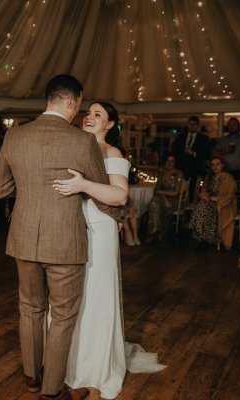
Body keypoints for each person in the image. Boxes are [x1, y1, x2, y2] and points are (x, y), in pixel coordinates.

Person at [0, 75, 127, 400]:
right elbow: (97, 190)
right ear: (71, 101)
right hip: (66, 241)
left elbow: (0, 190)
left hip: (23, 238)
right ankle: (53, 392)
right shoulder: (81, 142)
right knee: (64, 316)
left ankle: (31, 378)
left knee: (30, 309)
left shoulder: (14, 134)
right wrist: (118, 219)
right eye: (81, 106)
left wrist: (30, 191)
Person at [53, 101, 166, 399]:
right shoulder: (71, 146)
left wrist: (83, 184)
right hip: (68, 228)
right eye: (88, 112)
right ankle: (61, 363)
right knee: (68, 298)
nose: (89, 117)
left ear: (110, 125)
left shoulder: (112, 154)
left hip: (98, 230)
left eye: (98, 114)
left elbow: (118, 196)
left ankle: (93, 369)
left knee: (95, 296)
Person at [188, 155, 237, 251]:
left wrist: (214, 198)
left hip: (225, 204)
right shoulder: (210, 177)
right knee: (203, 205)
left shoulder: (227, 178)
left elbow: (230, 195)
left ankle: (204, 239)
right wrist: (204, 195)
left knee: (205, 208)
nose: (215, 167)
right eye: (213, 165)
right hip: (210, 202)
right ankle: (204, 238)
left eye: (218, 164)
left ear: (223, 165)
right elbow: (204, 190)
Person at [145, 154, 185, 244]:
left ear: (175, 163)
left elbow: (176, 193)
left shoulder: (179, 173)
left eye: (172, 161)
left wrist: (162, 194)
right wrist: (164, 198)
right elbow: (156, 190)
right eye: (167, 161)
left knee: (154, 203)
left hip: (174, 200)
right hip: (162, 199)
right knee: (155, 202)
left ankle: (155, 230)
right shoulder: (161, 172)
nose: (169, 163)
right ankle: (157, 230)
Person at [171, 115, 211, 199]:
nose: (192, 126)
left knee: (193, 192)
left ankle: (190, 209)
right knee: (179, 190)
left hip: (195, 169)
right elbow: (175, 152)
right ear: (188, 124)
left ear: (198, 125)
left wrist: (194, 153)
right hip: (181, 168)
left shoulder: (203, 138)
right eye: (190, 124)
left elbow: (206, 154)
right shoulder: (180, 137)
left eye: (194, 124)